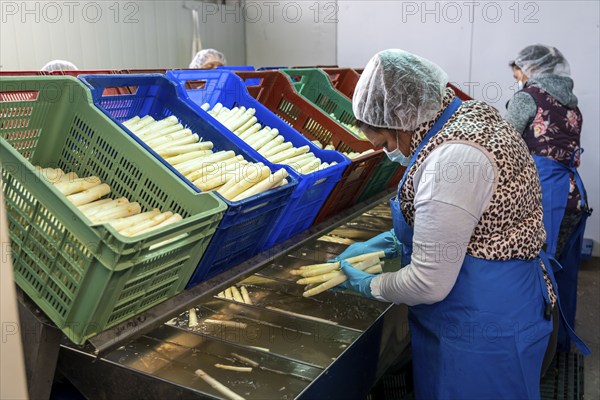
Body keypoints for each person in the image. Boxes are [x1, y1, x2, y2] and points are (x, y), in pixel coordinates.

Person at [331, 49, 589, 399]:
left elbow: (427, 284)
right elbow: (469, 221)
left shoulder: (450, 160)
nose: (391, 151)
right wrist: (393, 242)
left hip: (480, 324)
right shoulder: (468, 115)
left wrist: (372, 286)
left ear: (401, 119)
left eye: (386, 141)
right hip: (506, 300)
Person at [506, 44, 592, 351]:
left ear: (531, 68)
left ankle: (536, 348)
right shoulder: (572, 104)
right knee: (565, 273)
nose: (516, 76)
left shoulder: (527, 98)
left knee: (536, 273)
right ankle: (562, 343)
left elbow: (506, 145)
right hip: (573, 197)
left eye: (517, 69)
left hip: (541, 197)